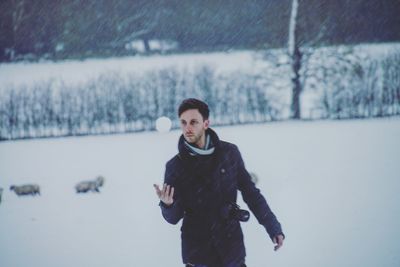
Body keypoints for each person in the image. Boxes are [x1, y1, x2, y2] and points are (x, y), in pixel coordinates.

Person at [154, 98, 284, 267]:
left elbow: (251, 193)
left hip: (232, 248)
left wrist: (272, 227)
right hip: (198, 254)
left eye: (193, 122)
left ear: (206, 123)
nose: (188, 128)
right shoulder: (175, 166)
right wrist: (168, 205)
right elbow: (173, 218)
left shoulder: (229, 154)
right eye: (183, 123)